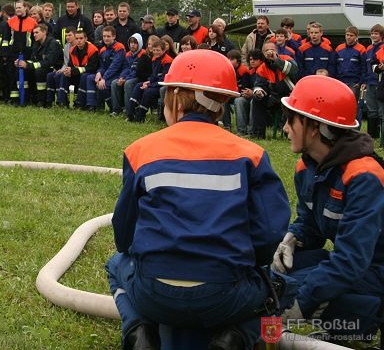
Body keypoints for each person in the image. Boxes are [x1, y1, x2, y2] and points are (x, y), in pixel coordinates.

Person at [106, 49, 292, 350]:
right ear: (221, 104)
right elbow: (269, 232)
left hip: (154, 295)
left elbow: (124, 232)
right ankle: (236, 337)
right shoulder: (252, 155)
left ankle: (138, 331)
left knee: (116, 263)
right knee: (275, 287)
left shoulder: (141, 150)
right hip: (225, 297)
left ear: (177, 99)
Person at [275, 75, 384, 343]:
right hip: (358, 266)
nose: (285, 128)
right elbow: (311, 224)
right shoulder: (306, 168)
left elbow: (351, 261)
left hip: (374, 270)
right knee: (272, 276)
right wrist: (293, 238)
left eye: (290, 119)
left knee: (294, 288)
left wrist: (303, 301)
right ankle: (347, 323)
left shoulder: (364, 176)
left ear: (315, 127)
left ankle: (361, 320)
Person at [249, 40, 298, 139]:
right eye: (266, 50)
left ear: (277, 51)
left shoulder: (287, 59)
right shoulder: (262, 68)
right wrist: (259, 91)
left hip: (289, 95)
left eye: (272, 49)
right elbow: (259, 84)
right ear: (263, 53)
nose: (269, 52)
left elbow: (293, 70)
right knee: (257, 99)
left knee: (291, 104)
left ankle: (290, 134)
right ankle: (258, 134)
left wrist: (276, 59)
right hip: (274, 97)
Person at [126, 36, 172, 122]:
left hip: (162, 85)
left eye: (158, 50)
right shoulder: (154, 59)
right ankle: (130, 113)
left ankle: (140, 116)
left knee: (148, 92)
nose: (155, 52)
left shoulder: (167, 61)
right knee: (138, 86)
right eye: (154, 50)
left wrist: (150, 84)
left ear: (163, 50)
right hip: (154, 83)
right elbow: (153, 75)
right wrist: (148, 82)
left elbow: (163, 78)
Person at [19, 23, 62, 107]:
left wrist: (29, 65)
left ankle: (42, 100)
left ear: (44, 32)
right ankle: (27, 98)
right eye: (33, 33)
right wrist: (23, 63)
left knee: (39, 72)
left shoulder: (53, 43)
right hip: (41, 67)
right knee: (25, 70)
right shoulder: (36, 44)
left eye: (37, 32)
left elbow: (49, 62)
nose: (34, 35)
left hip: (54, 69)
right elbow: (33, 60)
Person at [85, 26, 125, 112]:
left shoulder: (119, 47)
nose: (106, 38)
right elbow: (102, 66)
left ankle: (114, 107)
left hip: (117, 75)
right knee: (90, 78)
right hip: (106, 74)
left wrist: (104, 78)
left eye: (108, 36)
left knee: (103, 84)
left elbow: (115, 66)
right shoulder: (103, 50)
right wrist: (99, 73)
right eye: (104, 36)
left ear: (114, 36)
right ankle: (92, 105)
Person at [6, 0, 38, 105]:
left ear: (25, 8)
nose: (18, 9)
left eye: (20, 7)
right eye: (16, 8)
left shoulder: (33, 22)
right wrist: (6, 53)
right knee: (12, 77)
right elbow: (6, 39)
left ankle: (25, 99)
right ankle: (14, 100)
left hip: (27, 53)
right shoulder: (10, 22)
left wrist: (32, 54)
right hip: (12, 53)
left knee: (26, 77)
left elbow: (35, 40)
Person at [110, 33, 144, 116]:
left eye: (135, 43)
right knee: (114, 83)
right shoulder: (128, 54)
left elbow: (137, 71)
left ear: (140, 44)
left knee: (128, 83)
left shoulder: (143, 54)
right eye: (131, 42)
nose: (132, 45)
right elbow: (125, 68)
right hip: (128, 77)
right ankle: (116, 110)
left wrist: (125, 79)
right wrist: (121, 77)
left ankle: (129, 111)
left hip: (139, 77)